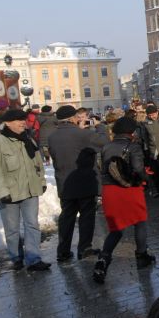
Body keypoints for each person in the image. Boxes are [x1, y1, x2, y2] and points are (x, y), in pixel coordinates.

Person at [0, 108, 51, 271]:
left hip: (30, 191)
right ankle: (16, 257)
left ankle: (33, 258)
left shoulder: (28, 139)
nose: (23, 123)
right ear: (7, 123)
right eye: (18, 120)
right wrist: (1, 192)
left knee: (32, 224)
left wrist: (41, 181)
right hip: (9, 193)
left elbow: (38, 164)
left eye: (23, 120)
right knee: (12, 229)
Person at [93, 117, 153, 283]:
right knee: (140, 222)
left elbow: (101, 169)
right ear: (131, 132)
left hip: (110, 191)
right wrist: (148, 179)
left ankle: (103, 260)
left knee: (116, 229)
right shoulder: (133, 146)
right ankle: (142, 256)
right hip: (130, 190)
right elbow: (138, 169)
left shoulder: (105, 147)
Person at [48, 104, 110, 262]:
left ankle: (63, 251)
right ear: (72, 118)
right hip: (84, 182)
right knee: (86, 216)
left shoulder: (52, 136)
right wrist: (100, 126)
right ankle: (84, 248)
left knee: (66, 217)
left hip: (64, 183)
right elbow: (104, 142)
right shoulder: (81, 134)